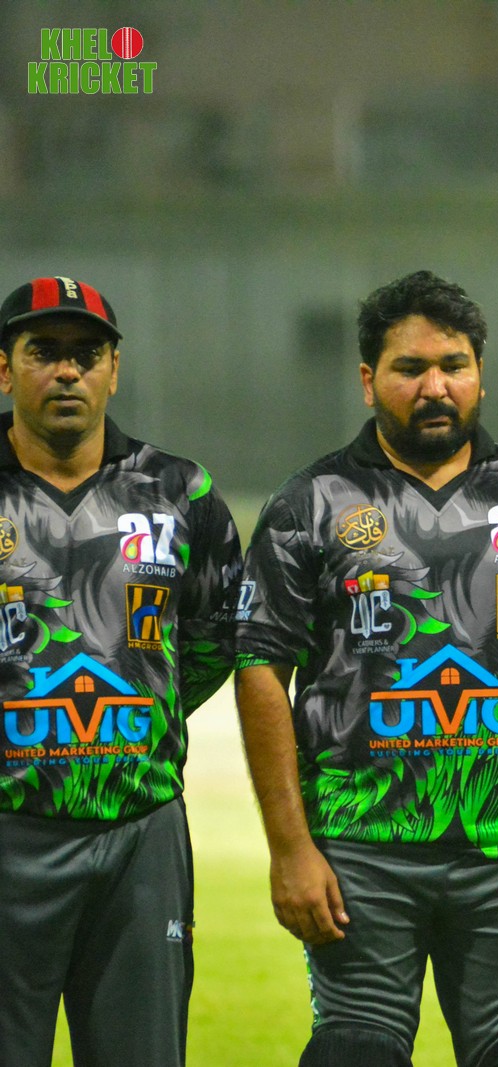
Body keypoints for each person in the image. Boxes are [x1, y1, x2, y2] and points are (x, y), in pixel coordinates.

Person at [233, 270, 498, 1067]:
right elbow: (260, 666)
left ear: (480, 373)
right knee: (353, 1054)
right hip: (359, 850)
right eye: (410, 368)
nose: (435, 386)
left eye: (454, 365)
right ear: (368, 379)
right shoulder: (313, 501)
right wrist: (290, 846)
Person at [0, 276, 242, 1066]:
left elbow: (212, 639)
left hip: (140, 834)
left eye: (87, 353)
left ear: (114, 368)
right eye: (43, 351)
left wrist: (131, 715)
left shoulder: (180, 493)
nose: (67, 370)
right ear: (4, 369)